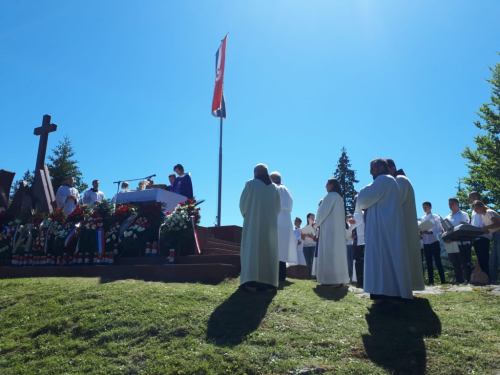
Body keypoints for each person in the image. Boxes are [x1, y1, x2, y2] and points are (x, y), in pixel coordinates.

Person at [356, 158, 413, 303]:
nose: (371, 172)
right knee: (385, 258)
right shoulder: (387, 181)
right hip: (384, 226)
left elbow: (362, 198)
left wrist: (358, 196)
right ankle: (386, 289)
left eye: (373, 168)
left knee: (382, 258)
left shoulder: (384, 180)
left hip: (382, 229)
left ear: (382, 167)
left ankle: (384, 290)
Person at [239, 163, 281, 292]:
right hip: (270, 227)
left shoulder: (251, 184)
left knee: (253, 249)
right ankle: (269, 283)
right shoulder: (275, 188)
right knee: (268, 251)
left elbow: (242, 205)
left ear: (257, 172)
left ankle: (251, 281)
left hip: (253, 224)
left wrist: (248, 215)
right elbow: (278, 208)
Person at [387, 159, 425, 291]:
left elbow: (395, 201)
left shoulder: (400, 180)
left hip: (404, 227)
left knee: (405, 256)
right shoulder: (399, 179)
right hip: (403, 225)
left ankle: (405, 286)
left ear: (392, 168)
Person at [312, 178, 349, 287]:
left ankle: (331, 280)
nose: (325, 186)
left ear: (332, 185)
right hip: (338, 232)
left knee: (329, 254)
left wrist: (316, 224)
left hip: (329, 231)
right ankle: (339, 279)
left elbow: (321, 212)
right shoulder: (339, 198)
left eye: (327, 184)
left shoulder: (330, 196)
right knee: (337, 254)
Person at [270, 171, 298, 280]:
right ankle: (282, 274)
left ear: (272, 179)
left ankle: (276, 274)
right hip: (287, 219)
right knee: (283, 248)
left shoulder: (274, 188)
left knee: (275, 246)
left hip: (277, 217)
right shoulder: (287, 190)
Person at [443, 198, 472, 284]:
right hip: (450, 242)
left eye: (452, 203)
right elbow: (444, 229)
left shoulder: (463, 214)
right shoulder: (447, 217)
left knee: (464, 262)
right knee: (455, 263)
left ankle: (469, 280)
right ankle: (459, 280)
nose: (450, 206)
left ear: (457, 204)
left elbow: (464, 225)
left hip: (462, 242)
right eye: (449, 204)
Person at [472, 200, 500, 284]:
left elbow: (497, 224)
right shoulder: (483, 216)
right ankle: (493, 280)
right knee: (492, 260)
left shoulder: (489, 212)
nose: (476, 211)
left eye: (477, 209)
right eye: (474, 210)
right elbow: (488, 230)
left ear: (482, 207)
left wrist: (485, 228)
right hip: (494, 236)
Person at [420, 202, 446, 285]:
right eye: (423, 207)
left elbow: (440, 229)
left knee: (438, 261)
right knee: (428, 262)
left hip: (434, 241)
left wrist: (430, 232)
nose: (425, 209)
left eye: (426, 207)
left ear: (430, 207)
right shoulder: (422, 218)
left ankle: (443, 280)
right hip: (425, 242)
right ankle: (431, 281)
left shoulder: (435, 217)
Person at [469, 192, 492, 281]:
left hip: (483, 236)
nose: (469, 199)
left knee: (484, 259)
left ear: (475, 197)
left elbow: (484, 222)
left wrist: (482, 230)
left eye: (470, 197)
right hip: (476, 237)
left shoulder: (483, 208)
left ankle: (488, 278)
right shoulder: (474, 210)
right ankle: (483, 278)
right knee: (480, 259)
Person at [349, 195, 365, 288]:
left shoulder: (361, 213)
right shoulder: (357, 213)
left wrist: (352, 222)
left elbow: (353, 225)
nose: (355, 203)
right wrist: (351, 222)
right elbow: (351, 226)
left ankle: (361, 281)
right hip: (357, 239)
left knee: (360, 261)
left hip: (361, 240)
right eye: (354, 201)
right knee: (357, 260)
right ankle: (358, 280)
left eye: (357, 201)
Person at [345, 215, 354, 283]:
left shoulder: (354, 227)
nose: (349, 220)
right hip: (347, 245)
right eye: (347, 219)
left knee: (352, 263)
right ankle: (349, 279)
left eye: (350, 219)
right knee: (348, 263)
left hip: (353, 245)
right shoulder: (344, 228)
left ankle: (352, 279)